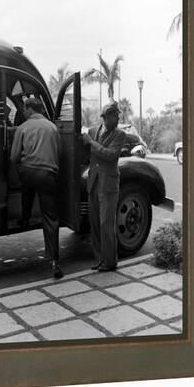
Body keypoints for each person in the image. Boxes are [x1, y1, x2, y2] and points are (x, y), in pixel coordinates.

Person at [10, 97, 63, 278]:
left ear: (29, 109)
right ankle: (54, 261)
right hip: (47, 174)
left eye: (24, 109)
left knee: (27, 186)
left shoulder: (22, 128)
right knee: (50, 218)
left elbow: (13, 157)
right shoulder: (53, 128)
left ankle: (24, 218)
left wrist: (21, 167)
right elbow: (59, 153)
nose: (23, 112)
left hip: (28, 172)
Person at [82, 101, 126, 272]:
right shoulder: (93, 131)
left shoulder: (120, 134)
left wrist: (91, 143)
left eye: (114, 117)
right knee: (94, 223)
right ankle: (99, 258)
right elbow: (86, 153)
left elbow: (110, 155)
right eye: (108, 117)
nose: (111, 120)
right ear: (104, 117)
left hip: (108, 184)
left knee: (106, 223)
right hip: (93, 182)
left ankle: (110, 261)